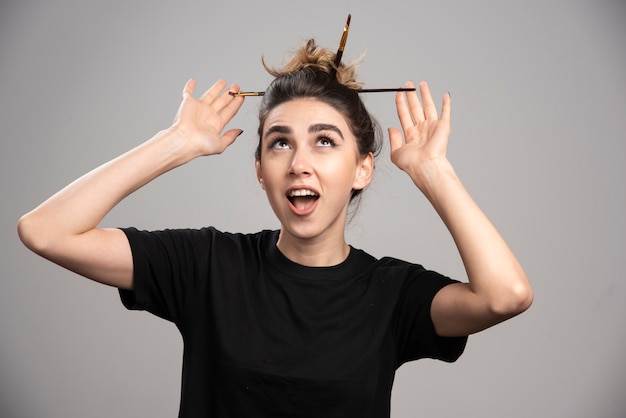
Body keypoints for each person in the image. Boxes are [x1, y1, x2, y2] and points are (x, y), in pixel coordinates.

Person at [17, 38, 533, 417]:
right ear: (261, 168)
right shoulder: (208, 266)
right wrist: (175, 142)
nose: (299, 163)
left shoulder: (392, 294)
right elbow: (45, 230)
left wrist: (433, 171)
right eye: (280, 142)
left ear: (363, 168)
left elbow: (505, 295)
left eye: (325, 141)